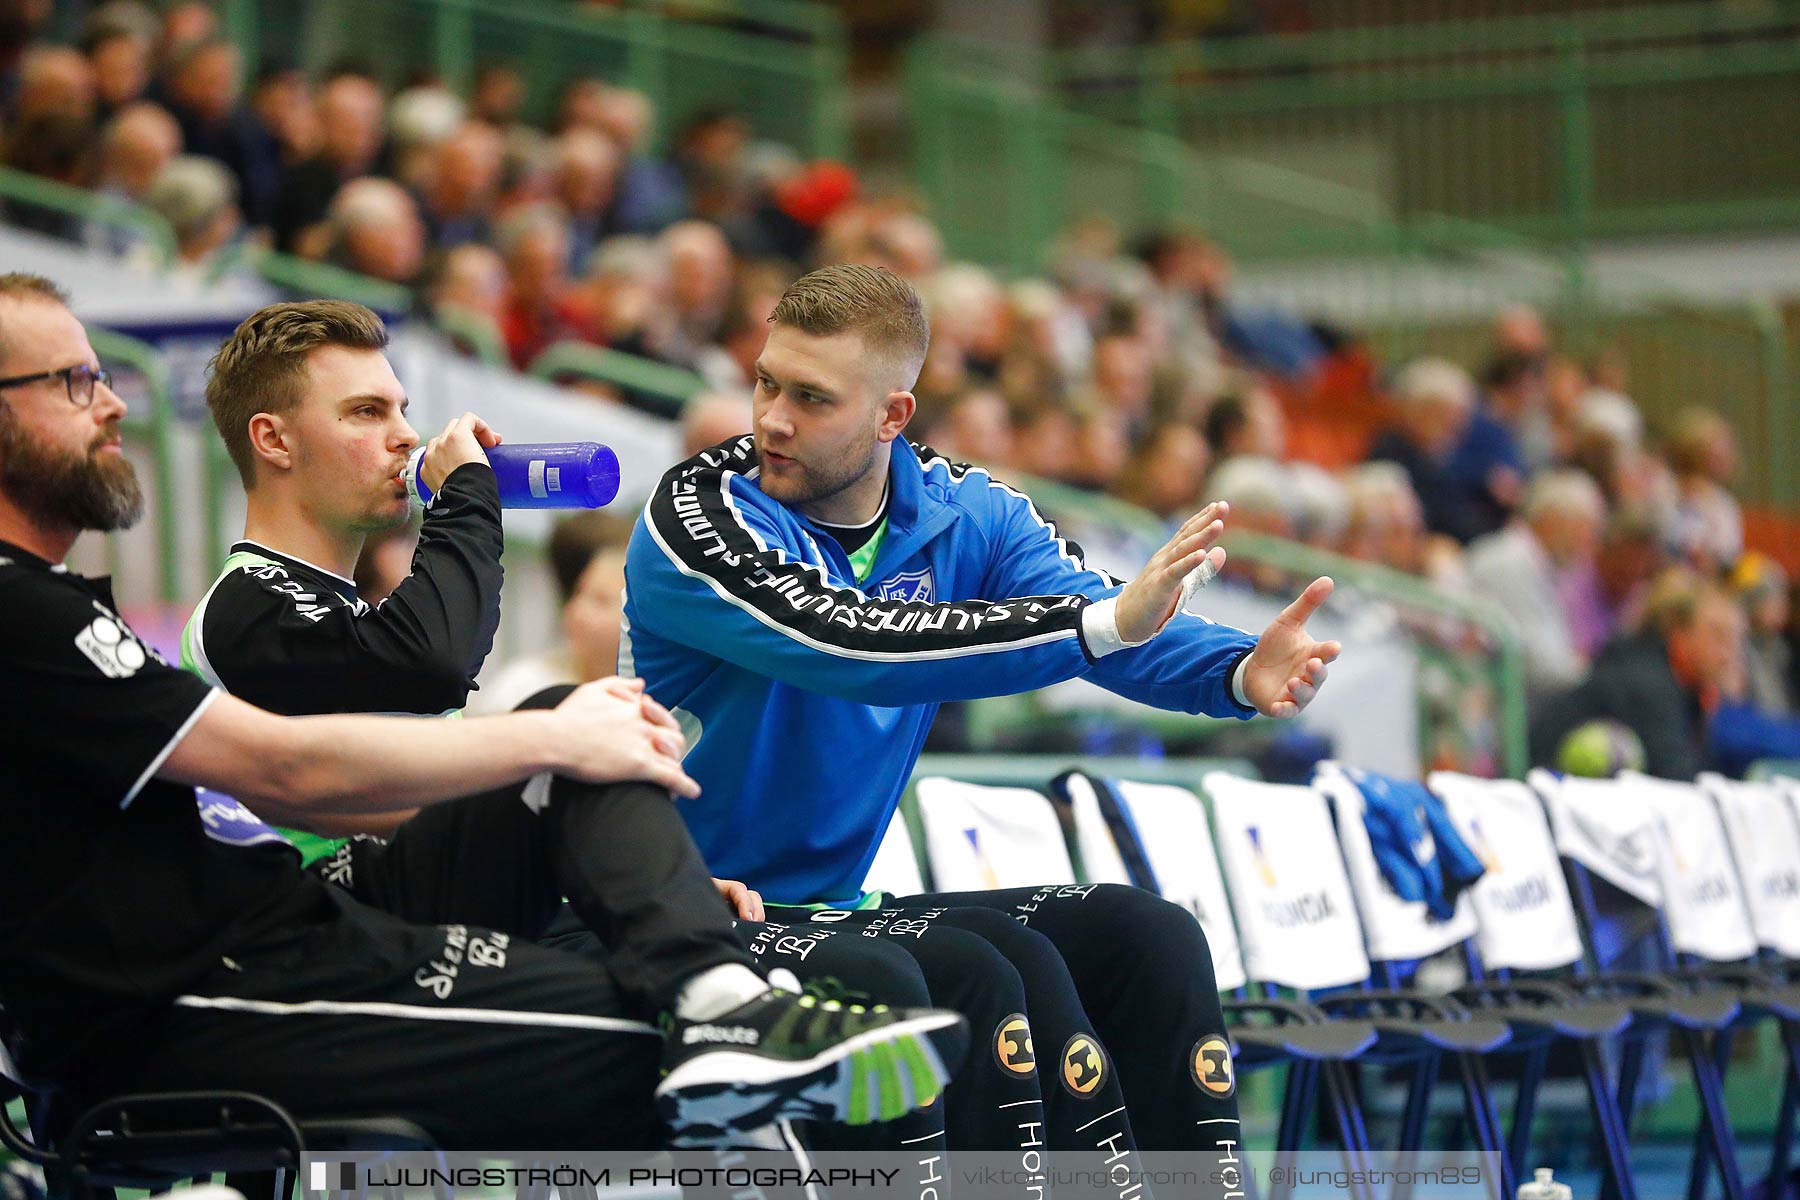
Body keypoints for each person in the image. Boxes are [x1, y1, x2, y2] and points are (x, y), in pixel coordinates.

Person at [180, 301, 1059, 1162]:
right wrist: (467, 502)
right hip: (312, 930)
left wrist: (657, 887)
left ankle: (715, 1001)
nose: (407, 436)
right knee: (568, 718)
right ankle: (717, 1004)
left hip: (406, 903)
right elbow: (430, 664)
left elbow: (433, 761)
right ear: (274, 440)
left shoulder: (343, 606)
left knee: (605, 788)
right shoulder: (244, 606)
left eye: (403, 408)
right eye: (368, 413)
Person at [625, 264, 1343, 1159]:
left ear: (893, 417)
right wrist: (1099, 622)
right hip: (675, 907)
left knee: (1143, 933)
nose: (771, 417)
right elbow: (851, 646)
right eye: (766, 382)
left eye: (812, 397)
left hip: (832, 908)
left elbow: (1109, 616)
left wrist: (1236, 671)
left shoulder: (972, 513)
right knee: (976, 970)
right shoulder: (698, 513)